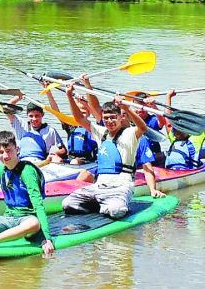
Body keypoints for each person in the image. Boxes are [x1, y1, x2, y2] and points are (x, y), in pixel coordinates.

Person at [62, 86, 161, 219]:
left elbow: (142, 127)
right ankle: (101, 205)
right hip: (99, 186)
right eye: (106, 118)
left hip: (120, 187)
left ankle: (111, 205)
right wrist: (69, 96)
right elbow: (79, 119)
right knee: (67, 204)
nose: (109, 121)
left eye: (113, 117)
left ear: (121, 117)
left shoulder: (130, 134)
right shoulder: (101, 132)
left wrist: (126, 108)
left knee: (116, 211)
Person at [7, 94, 67, 164]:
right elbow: (7, 108)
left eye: (37, 116)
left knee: (58, 160)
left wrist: (53, 154)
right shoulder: (21, 125)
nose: (34, 119)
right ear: (27, 115)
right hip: (21, 161)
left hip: (41, 162)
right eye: (31, 116)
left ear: (42, 115)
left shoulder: (50, 131)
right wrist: (18, 97)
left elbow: (63, 150)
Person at [163, 90, 205, 170]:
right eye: (175, 129)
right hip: (172, 172)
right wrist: (168, 97)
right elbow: (167, 118)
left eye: (180, 130)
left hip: (188, 171)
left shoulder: (196, 137)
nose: (176, 132)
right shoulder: (174, 138)